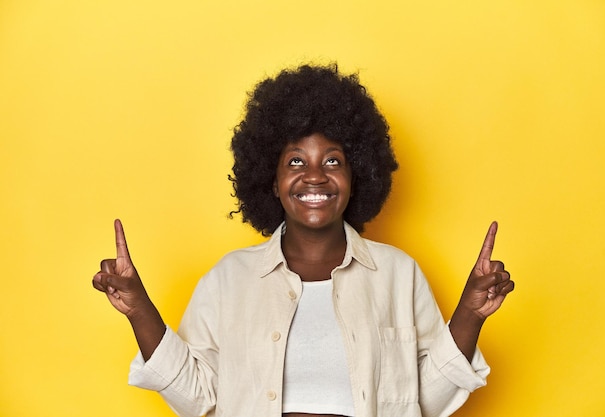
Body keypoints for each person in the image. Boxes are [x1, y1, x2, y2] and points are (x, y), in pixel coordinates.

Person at [92, 64, 514, 417]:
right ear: (271, 182)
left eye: (333, 160)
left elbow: (422, 399)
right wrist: (138, 308)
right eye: (296, 161)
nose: (315, 175)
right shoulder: (229, 279)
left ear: (357, 176)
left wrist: (471, 313)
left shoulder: (397, 274)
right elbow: (197, 396)